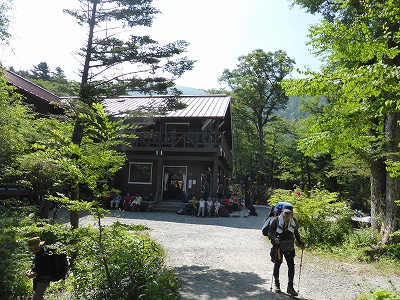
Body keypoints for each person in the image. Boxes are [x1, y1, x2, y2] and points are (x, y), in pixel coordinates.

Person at [268, 205, 305, 296]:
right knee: (277, 264)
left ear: (291, 214)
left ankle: (290, 287)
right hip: (278, 246)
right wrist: (274, 238)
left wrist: (300, 243)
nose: (287, 215)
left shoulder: (293, 222)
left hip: (289, 246)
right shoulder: (276, 220)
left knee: (291, 265)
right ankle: (277, 284)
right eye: (286, 213)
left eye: (289, 213)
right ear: (282, 212)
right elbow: (269, 233)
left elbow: (296, 233)